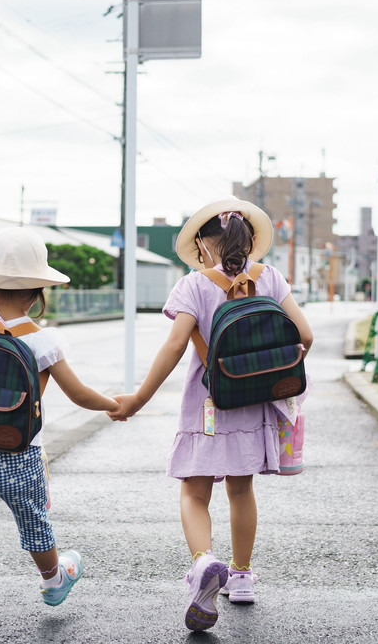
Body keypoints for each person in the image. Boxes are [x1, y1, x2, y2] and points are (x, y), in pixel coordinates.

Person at [111, 196, 313, 632]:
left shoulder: (193, 285)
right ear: (252, 241)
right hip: (253, 402)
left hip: (209, 402)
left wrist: (139, 399)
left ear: (203, 245)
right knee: (241, 491)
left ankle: (204, 561)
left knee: (194, 493)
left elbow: (174, 347)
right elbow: (306, 336)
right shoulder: (271, 277)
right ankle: (240, 577)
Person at [0, 227, 121, 644]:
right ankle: (54, 579)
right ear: (39, 290)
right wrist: (114, 404)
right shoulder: (42, 340)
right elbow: (78, 394)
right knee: (35, 524)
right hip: (19, 454)